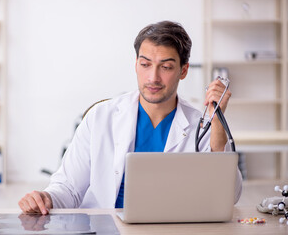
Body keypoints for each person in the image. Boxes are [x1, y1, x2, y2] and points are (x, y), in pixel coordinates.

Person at [18, 21, 243, 215]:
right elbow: (68, 188)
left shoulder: (199, 125)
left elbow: (228, 196)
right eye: (145, 64)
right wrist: (46, 198)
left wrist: (217, 126)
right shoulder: (100, 117)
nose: (153, 77)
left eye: (165, 67)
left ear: (183, 71)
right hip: (104, 227)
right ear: (136, 64)